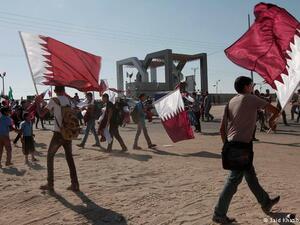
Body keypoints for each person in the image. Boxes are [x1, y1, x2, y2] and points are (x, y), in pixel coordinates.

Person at [212, 76, 281, 224]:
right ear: (247, 87)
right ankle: (219, 214)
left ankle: (266, 202)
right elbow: (275, 110)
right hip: (242, 147)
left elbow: (221, 129)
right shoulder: (251, 98)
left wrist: (227, 147)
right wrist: (270, 122)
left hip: (233, 145)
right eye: (252, 85)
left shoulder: (231, 101)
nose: (253, 87)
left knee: (250, 176)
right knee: (234, 179)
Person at [39, 86, 79, 192]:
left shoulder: (54, 100)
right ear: (64, 91)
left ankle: (50, 183)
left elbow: (41, 114)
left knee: (50, 156)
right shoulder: (69, 101)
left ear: (56, 91)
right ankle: (75, 184)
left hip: (58, 133)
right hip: (67, 132)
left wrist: (37, 103)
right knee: (69, 157)